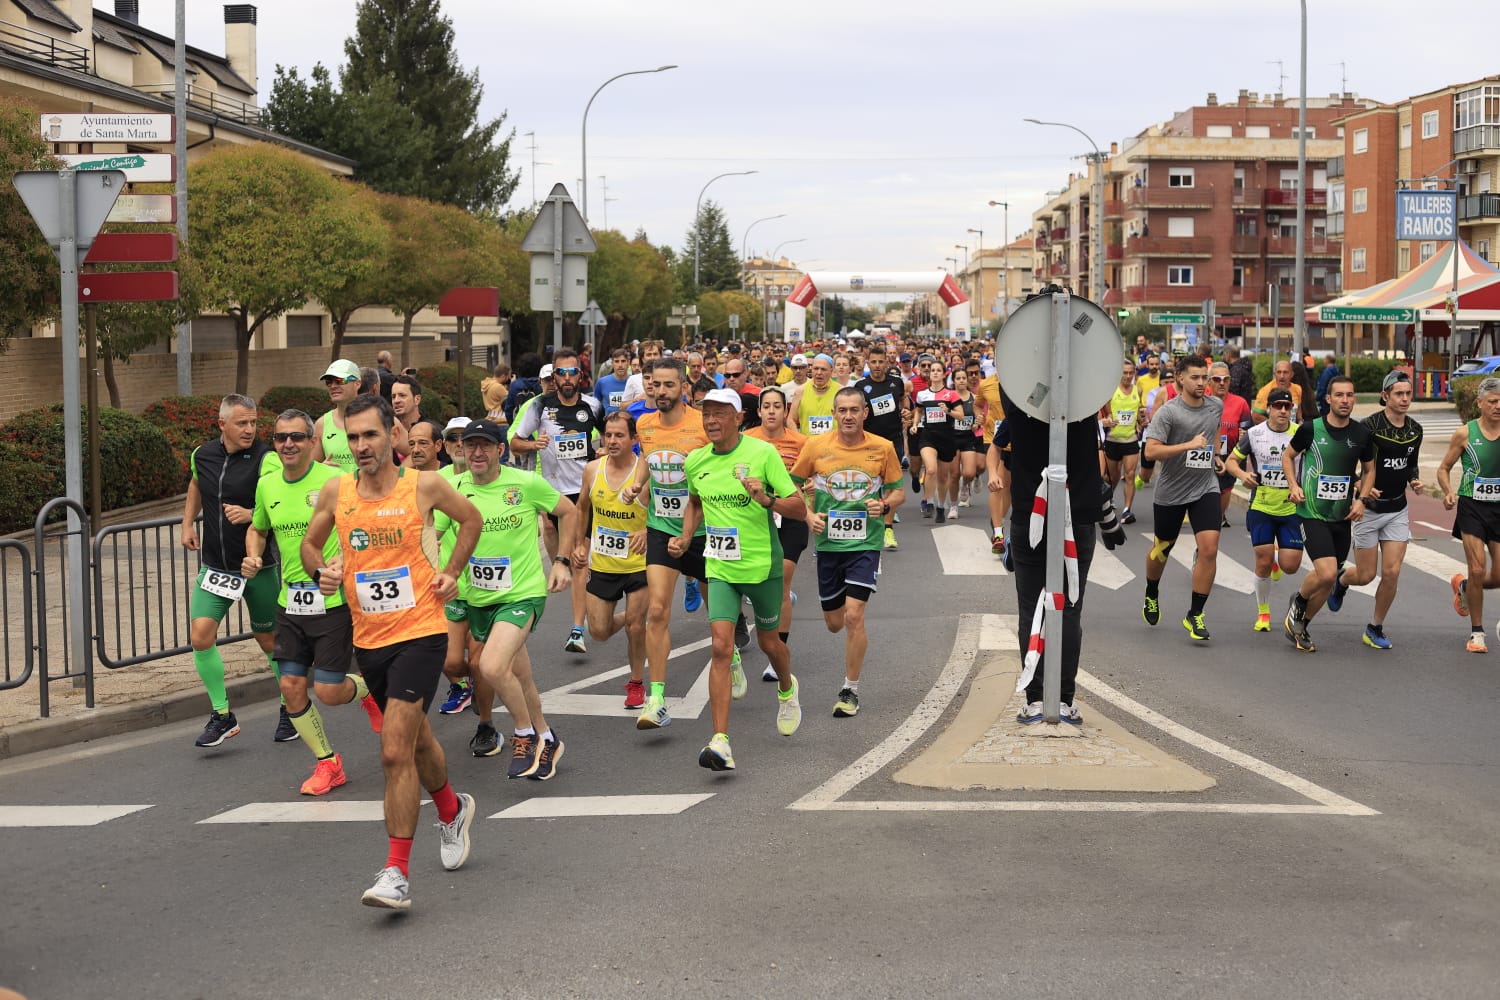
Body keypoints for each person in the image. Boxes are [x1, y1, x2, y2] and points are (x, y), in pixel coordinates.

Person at [300, 393, 481, 911]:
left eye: (371, 435)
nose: (361, 446)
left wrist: (453, 570)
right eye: (353, 437)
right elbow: (311, 546)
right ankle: (452, 809)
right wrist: (322, 571)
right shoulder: (336, 491)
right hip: (369, 639)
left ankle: (396, 872)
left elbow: (470, 521)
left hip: (423, 631)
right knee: (418, 740)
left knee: (394, 750)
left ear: (392, 435)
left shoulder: (423, 485)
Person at [243, 409, 383, 795]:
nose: (288, 444)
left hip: (332, 601)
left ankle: (365, 690)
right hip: (291, 602)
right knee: (290, 686)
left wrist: (344, 562)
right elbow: (257, 528)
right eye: (280, 438)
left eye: (297, 437)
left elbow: (364, 527)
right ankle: (328, 762)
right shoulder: (268, 485)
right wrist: (254, 554)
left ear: (311, 441)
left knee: (328, 691)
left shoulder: (336, 481)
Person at [673, 389, 805, 771]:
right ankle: (720, 741)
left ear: (737, 417)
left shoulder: (762, 455)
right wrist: (685, 536)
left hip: (762, 566)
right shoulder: (696, 461)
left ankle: (786, 687)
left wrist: (767, 500)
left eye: (719, 414)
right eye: (706, 414)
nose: (711, 421)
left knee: (769, 643)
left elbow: (797, 506)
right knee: (719, 646)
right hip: (721, 567)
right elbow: (695, 501)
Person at [435, 418, 576, 773]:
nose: (477, 452)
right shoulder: (451, 488)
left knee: (492, 665)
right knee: (521, 676)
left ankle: (524, 733)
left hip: (523, 593)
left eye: (485, 445)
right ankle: (548, 737)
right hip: (481, 597)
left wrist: (561, 561)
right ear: (461, 450)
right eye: (470, 445)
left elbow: (569, 512)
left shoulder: (525, 483)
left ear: (501, 450)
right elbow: (431, 534)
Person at [999, 383, 1126, 725]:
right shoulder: (1084, 394)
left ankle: (1037, 700)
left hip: (1031, 513)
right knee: (1069, 608)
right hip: (1078, 512)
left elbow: (1013, 381)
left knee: (1031, 608)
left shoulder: (1020, 390)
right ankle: (1064, 701)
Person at [790, 387, 904, 717]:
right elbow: (792, 483)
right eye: (843, 410)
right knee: (834, 623)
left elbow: (897, 493)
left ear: (865, 413)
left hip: (865, 544)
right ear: (835, 414)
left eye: (855, 410)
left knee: (854, 616)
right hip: (828, 545)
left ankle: (850, 689)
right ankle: (848, 680)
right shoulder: (816, 446)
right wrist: (809, 514)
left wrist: (883, 504)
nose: (849, 416)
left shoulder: (882, 448)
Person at [182, 393, 286, 748]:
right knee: (200, 636)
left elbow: (277, 500)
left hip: (257, 567)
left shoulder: (266, 459)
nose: (250, 429)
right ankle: (222, 715)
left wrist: (252, 514)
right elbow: (196, 483)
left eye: (254, 422)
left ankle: (291, 704)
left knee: (269, 640)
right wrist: (187, 524)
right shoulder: (203, 454)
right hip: (216, 567)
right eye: (242, 423)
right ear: (222, 423)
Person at [625, 357, 714, 730]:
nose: (660, 392)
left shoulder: (701, 425)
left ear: (683, 387)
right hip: (661, 525)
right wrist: (637, 483)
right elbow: (649, 458)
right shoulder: (644, 423)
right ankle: (656, 698)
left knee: (719, 616)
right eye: (655, 385)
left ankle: (733, 658)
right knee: (658, 610)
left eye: (668, 385)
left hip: (706, 529)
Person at [509, 347, 605, 653]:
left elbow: (612, 437)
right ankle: (568, 571)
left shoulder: (592, 405)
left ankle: (577, 629)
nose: (566, 378)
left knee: (578, 559)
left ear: (580, 375)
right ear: (554, 377)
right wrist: (531, 443)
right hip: (552, 494)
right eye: (559, 373)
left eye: (571, 372)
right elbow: (513, 442)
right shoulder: (538, 406)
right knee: (560, 549)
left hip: (584, 492)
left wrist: (605, 450)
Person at [1324, 370, 1423, 648]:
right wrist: (1360, 485)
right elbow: (1346, 465)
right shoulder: (1367, 428)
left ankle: (1375, 627)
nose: (1404, 399)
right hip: (1369, 509)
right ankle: (1342, 580)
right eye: (1399, 394)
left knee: (1392, 572)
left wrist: (1414, 478)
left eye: (1408, 393)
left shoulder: (1416, 429)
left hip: (1397, 509)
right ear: (1385, 396)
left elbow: (1410, 461)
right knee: (1366, 575)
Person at [1280, 375, 1376, 653]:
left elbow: (1369, 470)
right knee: (1327, 571)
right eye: (1340, 395)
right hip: (1311, 512)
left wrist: (1362, 500)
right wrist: (1294, 485)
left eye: (1350, 395)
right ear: (1329, 399)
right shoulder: (1310, 429)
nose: (1345, 400)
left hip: (1342, 516)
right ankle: (1298, 601)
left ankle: (1301, 624)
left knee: (1329, 579)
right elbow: (1288, 457)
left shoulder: (1361, 434)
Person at [1141, 354, 1224, 641]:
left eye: (1205, 377)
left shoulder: (1216, 406)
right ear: (1180, 379)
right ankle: (1152, 590)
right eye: (1196, 377)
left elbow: (1212, 435)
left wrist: (1216, 455)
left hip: (1205, 487)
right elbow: (1151, 452)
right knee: (1161, 550)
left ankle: (1195, 614)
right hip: (1171, 491)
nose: (1202, 383)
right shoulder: (1168, 413)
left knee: (1210, 548)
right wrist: (1188, 446)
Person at [572, 412, 650, 709]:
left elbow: (664, 514)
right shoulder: (592, 469)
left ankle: (636, 682)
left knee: (634, 627)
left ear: (634, 439)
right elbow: (582, 508)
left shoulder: (645, 473)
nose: (613, 441)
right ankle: (631, 618)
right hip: (603, 563)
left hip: (638, 563)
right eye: (608, 435)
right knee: (599, 631)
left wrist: (646, 529)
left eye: (620, 435)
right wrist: (580, 543)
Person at [1225, 387, 1303, 632]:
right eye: (1278, 406)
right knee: (1262, 561)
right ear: (1268, 408)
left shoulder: (1301, 434)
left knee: (1291, 565)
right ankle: (1264, 613)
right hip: (1261, 505)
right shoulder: (1254, 434)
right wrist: (1243, 475)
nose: (1282, 411)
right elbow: (1230, 462)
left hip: (1291, 507)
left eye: (1287, 407)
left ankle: (1279, 561)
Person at [747, 387, 809, 683]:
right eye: (766, 406)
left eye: (777, 406)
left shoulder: (800, 442)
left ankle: (778, 652)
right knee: (752, 584)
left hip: (790, 518)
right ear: (758, 411)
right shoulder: (746, 440)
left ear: (786, 412)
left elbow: (815, 474)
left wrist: (811, 486)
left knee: (782, 581)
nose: (771, 411)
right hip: (754, 520)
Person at [1438, 376, 1500, 653]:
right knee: (1478, 568)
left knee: (1497, 577)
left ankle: (1464, 587)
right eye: (1493, 402)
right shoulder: (1465, 433)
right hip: (1472, 506)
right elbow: (1443, 468)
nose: (1498, 406)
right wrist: (1448, 491)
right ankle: (1477, 634)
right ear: (1479, 404)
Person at [852, 342, 909, 550]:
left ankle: (888, 529)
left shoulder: (896, 383)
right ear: (868, 363)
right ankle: (871, 525)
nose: (877, 365)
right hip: (869, 441)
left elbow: (904, 401)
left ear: (887, 362)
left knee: (891, 485)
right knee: (871, 484)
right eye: (873, 362)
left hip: (893, 440)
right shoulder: (860, 386)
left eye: (880, 361)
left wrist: (906, 412)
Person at [914, 358, 963, 523]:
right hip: (928, 436)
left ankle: (941, 506)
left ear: (943, 374)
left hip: (947, 437)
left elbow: (960, 415)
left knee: (943, 477)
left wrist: (948, 410)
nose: (934, 372)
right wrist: (914, 424)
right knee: (931, 469)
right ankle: (928, 502)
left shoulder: (952, 394)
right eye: (932, 370)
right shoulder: (922, 394)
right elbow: (918, 411)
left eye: (938, 370)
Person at [1100, 359, 1144, 525]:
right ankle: (1107, 500)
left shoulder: (1137, 390)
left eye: (1130, 373)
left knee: (1130, 474)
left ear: (1134, 373)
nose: (1127, 376)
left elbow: (1139, 411)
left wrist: (1141, 421)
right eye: (1124, 373)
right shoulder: (1112, 391)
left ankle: (1127, 510)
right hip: (1113, 439)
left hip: (1130, 440)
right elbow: (1105, 413)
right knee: (1110, 477)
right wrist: (1108, 419)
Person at [1210, 361, 1253, 526]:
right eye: (1217, 379)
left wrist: (1245, 433)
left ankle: (1219, 515)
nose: (1221, 383)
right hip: (1205, 450)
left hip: (1229, 451)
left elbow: (1247, 427)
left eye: (1225, 379)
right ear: (1209, 381)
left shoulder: (1240, 403)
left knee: (1225, 486)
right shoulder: (1202, 400)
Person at [311, 359, 362, 472]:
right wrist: (322, 469)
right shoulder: (322, 424)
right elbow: (312, 469)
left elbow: (409, 452)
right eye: (329, 382)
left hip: (369, 489)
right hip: (338, 489)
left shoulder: (378, 417)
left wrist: (397, 480)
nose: (333, 386)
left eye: (339, 380)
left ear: (357, 383)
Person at [789, 354, 840, 437]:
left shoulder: (840, 391)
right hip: (808, 444)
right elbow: (790, 419)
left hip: (833, 445)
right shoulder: (800, 391)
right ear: (811, 370)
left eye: (823, 369)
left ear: (831, 371)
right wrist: (800, 438)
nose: (819, 373)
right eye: (816, 369)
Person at [1252, 359, 1304, 424]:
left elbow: (1298, 407)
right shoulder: (1265, 391)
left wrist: (1300, 420)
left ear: (1292, 374)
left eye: (1285, 372)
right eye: (1279, 372)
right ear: (1274, 374)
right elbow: (1256, 416)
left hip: (1292, 432)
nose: (1282, 376)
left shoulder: (1297, 388)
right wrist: (1276, 427)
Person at [592, 348, 631, 415]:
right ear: (612, 363)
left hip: (631, 423)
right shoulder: (602, 382)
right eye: (616, 361)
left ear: (628, 363)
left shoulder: (634, 381)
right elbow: (595, 405)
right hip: (608, 423)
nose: (620, 365)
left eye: (623, 361)